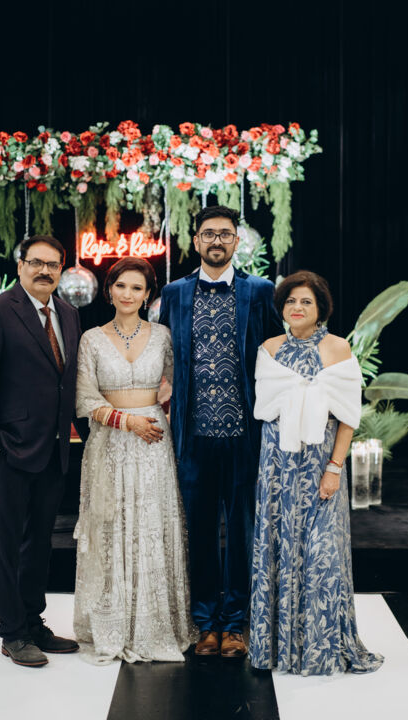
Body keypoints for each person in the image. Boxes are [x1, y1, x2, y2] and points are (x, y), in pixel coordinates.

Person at [159, 205, 283, 658]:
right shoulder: (174, 293)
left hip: (246, 437)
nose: (216, 241)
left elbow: (279, 352)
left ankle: (235, 624)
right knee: (200, 534)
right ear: (195, 241)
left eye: (225, 234)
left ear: (236, 241)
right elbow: (162, 355)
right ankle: (205, 623)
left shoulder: (261, 291)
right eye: (208, 233)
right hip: (192, 438)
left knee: (244, 534)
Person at [250, 270, 384, 675]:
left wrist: (334, 468)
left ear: (320, 307)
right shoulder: (269, 349)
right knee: (278, 549)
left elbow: (348, 416)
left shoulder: (338, 348)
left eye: (306, 301)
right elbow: (265, 409)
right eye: (291, 301)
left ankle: (321, 648)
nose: (297, 307)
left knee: (322, 555)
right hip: (277, 466)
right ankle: (278, 648)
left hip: (320, 466)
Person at [0, 235, 82, 667]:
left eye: (53, 264)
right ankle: (12, 632)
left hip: (54, 450)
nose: (44, 271)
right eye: (36, 262)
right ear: (21, 265)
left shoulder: (68, 313)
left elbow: (64, 382)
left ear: (61, 269)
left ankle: (33, 621)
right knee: (7, 543)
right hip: (10, 451)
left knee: (40, 544)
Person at [73, 256, 195, 664]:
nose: (128, 294)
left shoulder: (162, 336)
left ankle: (155, 625)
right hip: (109, 443)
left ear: (148, 295)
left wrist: (162, 411)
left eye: (137, 288)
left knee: (151, 525)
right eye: (121, 286)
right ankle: (112, 625)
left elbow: (181, 383)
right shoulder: (91, 339)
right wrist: (128, 421)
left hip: (153, 442)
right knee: (110, 527)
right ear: (109, 291)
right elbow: (85, 398)